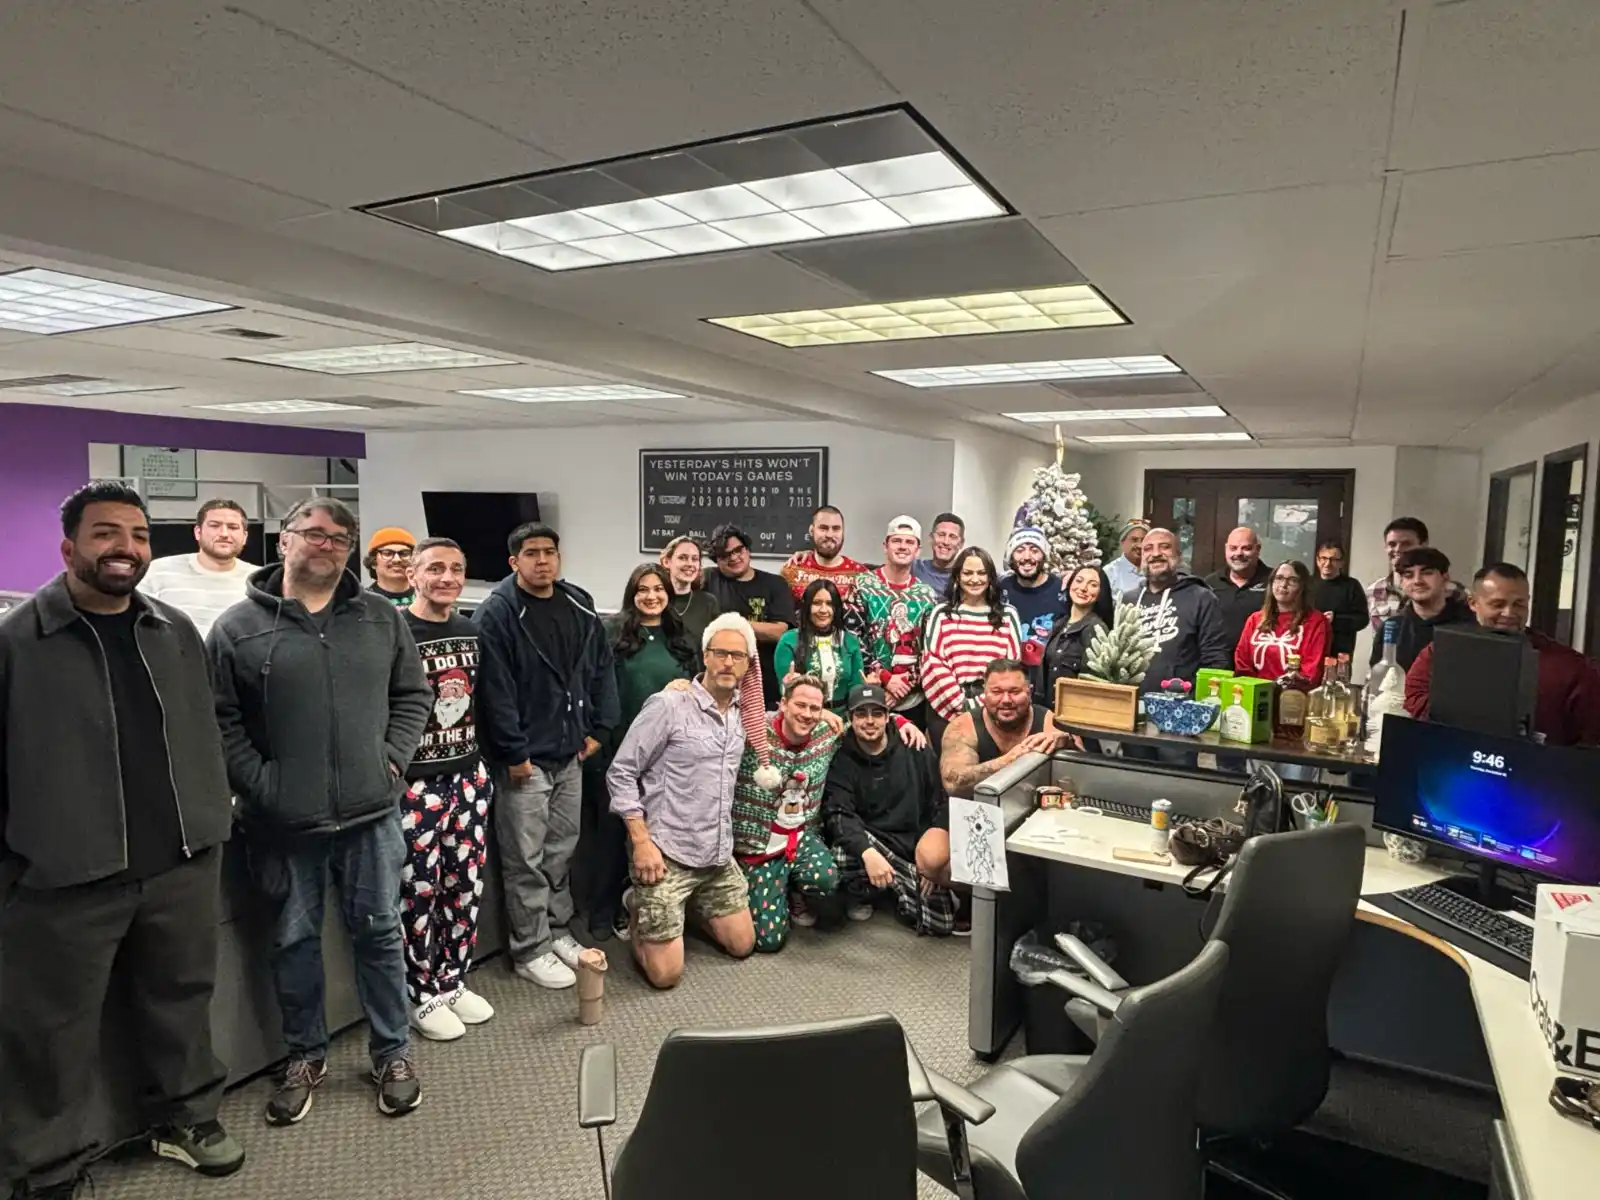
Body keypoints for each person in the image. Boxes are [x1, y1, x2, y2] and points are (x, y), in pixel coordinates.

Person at [0, 482, 244, 1197]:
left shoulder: (172, 631)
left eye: (138, 536)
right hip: (67, 877)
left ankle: (184, 1120)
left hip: (179, 862)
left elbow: (202, 732)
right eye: (107, 534)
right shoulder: (19, 643)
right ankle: (44, 1164)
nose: (126, 548)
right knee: (50, 1030)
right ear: (69, 547)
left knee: (182, 998)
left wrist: (209, 818)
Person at [209, 497, 431, 1124]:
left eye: (341, 538)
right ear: (284, 541)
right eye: (314, 534)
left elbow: (412, 695)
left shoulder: (380, 621)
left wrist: (391, 761)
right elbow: (220, 721)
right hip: (284, 826)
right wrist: (264, 785)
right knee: (293, 942)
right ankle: (305, 1056)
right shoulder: (237, 629)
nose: (327, 546)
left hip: (370, 816)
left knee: (380, 935)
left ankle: (392, 1053)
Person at [475, 522, 619, 990]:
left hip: (569, 754)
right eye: (532, 553)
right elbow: (494, 693)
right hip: (525, 761)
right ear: (514, 561)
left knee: (561, 850)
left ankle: (557, 931)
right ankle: (529, 948)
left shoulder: (577, 601)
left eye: (550, 552)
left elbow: (600, 669)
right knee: (526, 860)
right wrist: (514, 753)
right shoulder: (497, 614)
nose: (543, 561)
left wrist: (599, 727)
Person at [605, 614, 759, 989]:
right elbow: (621, 772)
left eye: (737, 656)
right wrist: (641, 842)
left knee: (743, 945)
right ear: (705, 656)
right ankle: (639, 905)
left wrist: (823, 713)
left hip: (716, 854)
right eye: (720, 653)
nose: (727, 663)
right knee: (665, 976)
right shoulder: (668, 705)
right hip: (666, 852)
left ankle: (682, 909)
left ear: (747, 664)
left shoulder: (747, 713)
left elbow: (791, 718)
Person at [729, 674, 927, 951]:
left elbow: (867, 723)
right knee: (768, 941)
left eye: (814, 708)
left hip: (801, 840)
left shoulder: (828, 734)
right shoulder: (753, 733)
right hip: (757, 846)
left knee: (825, 878)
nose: (807, 714)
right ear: (783, 704)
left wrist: (901, 721)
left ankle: (796, 888)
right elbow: (724, 711)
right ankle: (758, 885)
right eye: (800, 705)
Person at [398, 538, 495, 1043]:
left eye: (456, 569)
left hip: (468, 776)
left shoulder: (470, 630)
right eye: (435, 568)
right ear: (413, 574)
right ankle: (421, 992)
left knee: (464, 885)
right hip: (415, 783)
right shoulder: (395, 632)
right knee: (419, 889)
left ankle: (453, 979)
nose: (447, 577)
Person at [595, 563, 698, 941]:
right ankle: (605, 910)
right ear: (631, 594)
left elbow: (698, 689)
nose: (651, 596)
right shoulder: (612, 632)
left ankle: (648, 903)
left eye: (658, 589)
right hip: (619, 748)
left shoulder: (681, 637)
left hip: (669, 755)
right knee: (615, 830)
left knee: (658, 830)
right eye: (643, 589)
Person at [1404, 563, 1600, 746]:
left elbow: (1590, 738)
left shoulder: (1572, 668)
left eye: (1519, 604)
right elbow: (1414, 695)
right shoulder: (1440, 650)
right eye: (1498, 604)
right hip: (1456, 760)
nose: (1509, 613)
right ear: (1473, 603)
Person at [822, 683, 956, 936]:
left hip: (913, 845)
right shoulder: (842, 758)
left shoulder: (914, 746)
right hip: (874, 841)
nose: (869, 721)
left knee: (941, 924)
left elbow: (940, 801)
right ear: (851, 719)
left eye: (877, 713)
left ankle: (892, 888)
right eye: (861, 714)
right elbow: (839, 814)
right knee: (842, 853)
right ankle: (866, 891)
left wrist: (931, 861)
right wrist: (866, 852)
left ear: (887, 717)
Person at [921, 547, 1023, 747]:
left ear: (990, 578)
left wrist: (983, 702)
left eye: (981, 573)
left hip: (993, 706)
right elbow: (932, 663)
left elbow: (1011, 667)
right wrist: (962, 704)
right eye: (967, 573)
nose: (974, 579)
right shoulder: (942, 614)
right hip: (946, 705)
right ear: (957, 577)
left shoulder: (1007, 615)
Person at [850, 515, 939, 723]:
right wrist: (886, 680)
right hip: (869, 694)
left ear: (918, 550)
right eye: (896, 541)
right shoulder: (862, 586)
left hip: (912, 698)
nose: (902, 547)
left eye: (909, 542)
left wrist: (904, 683)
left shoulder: (927, 595)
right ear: (885, 546)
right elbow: (853, 640)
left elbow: (930, 649)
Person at [940, 659, 1068, 799]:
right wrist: (1009, 760)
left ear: (1029, 692)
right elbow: (953, 784)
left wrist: (1065, 741)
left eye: (1015, 691)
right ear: (985, 693)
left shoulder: (1050, 721)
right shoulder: (963, 727)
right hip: (978, 812)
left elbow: (1076, 775)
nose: (1006, 700)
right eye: (997, 692)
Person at [702, 523, 796, 709]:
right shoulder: (707, 579)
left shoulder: (775, 584)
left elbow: (780, 631)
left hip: (765, 685)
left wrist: (735, 624)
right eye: (726, 555)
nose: (735, 557)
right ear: (716, 560)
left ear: (747, 549)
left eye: (738, 550)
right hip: (719, 684)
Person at [1131, 528, 1231, 693]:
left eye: (1164, 547)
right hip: (1132, 703)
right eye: (1148, 549)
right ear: (1141, 558)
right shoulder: (1129, 599)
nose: (1156, 553)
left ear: (1178, 555)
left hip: (1181, 705)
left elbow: (1216, 660)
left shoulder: (1202, 598)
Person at [139, 497, 257, 637]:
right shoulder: (158, 571)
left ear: (244, 537)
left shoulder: (259, 580)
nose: (224, 534)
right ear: (198, 532)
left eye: (232, 527)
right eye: (214, 525)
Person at [1368, 546, 1472, 672]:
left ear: (1445, 577)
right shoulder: (1391, 628)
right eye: (1409, 575)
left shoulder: (1469, 626)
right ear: (1402, 583)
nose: (1417, 581)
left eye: (1427, 573)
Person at [775, 578, 865, 710]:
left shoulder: (849, 640)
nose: (824, 610)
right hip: (803, 717)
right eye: (817, 603)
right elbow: (783, 690)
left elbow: (856, 686)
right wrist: (788, 686)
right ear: (807, 606)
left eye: (829, 604)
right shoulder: (789, 640)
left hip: (843, 719)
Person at [1235, 561, 1330, 685]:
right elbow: (1242, 661)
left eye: (1292, 580)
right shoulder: (1255, 619)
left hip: (1294, 694)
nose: (1283, 585)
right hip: (1254, 690)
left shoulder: (1316, 622)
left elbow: (1312, 670)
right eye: (1279, 578)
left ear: (1303, 586)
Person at [1367, 517, 1465, 631]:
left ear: (1423, 545)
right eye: (1392, 544)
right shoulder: (1373, 591)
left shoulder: (1454, 590)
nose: (1398, 549)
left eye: (1406, 544)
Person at [999, 527, 1065, 690]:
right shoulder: (1000, 589)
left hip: (1049, 684)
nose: (1027, 557)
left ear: (1044, 556)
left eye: (1035, 550)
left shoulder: (1063, 589)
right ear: (1011, 556)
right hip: (1008, 682)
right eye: (1019, 550)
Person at [1041, 564, 1115, 700]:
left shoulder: (1096, 629)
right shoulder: (1060, 624)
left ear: (1101, 592)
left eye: (1092, 585)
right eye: (1079, 581)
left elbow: (1094, 683)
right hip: (1051, 710)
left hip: (1074, 712)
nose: (1083, 588)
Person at [779, 505, 867, 608]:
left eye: (836, 529)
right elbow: (781, 617)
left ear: (843, 532)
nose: (830, 535)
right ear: (812, 531)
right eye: (823, 528)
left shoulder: (861, 575)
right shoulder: (792, 571)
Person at [1204, 526, 1272, 654]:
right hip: (1217, 663)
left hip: (1260, 661)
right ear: (1226, 549)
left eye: (1246, 548)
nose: (1238, 554)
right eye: (1233, 548)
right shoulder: (1210, 583)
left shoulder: (1274, 582)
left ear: (1258, 549)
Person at [1309, 540, 1368, 660]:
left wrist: (1335, 619)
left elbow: (1362, 619)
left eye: (1333, 559)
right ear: (1317, 560)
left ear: (1341, 563)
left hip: (1339, 653)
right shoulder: (1307, 584)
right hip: (1309, 649)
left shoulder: (1351, 585)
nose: (1328, 563)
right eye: (1323, 558)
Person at [658, 534, 719, 645]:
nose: (690, 564)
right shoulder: (656, 600)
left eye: (695, 559)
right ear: (666, 562)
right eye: (682, 558)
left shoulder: (708, 603)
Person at [911, 512, 965, 593]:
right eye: (941, 535)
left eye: (953, 537)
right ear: (931, 538)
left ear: (961, 544)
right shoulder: (913, 568)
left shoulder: (966, 577)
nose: (946, 542)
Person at [365, 526, 417, 607]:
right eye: (387, 553)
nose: (397, 559)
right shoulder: (362, 603)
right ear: (373, 562)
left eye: (404, 553)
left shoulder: (428, 598)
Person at [1104, 519, 1149, 599]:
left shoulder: (1154, 569)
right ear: (1122, 542)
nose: (1139, 545)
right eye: (1134, 540)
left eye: (1144, 540)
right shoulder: (1109, 572)